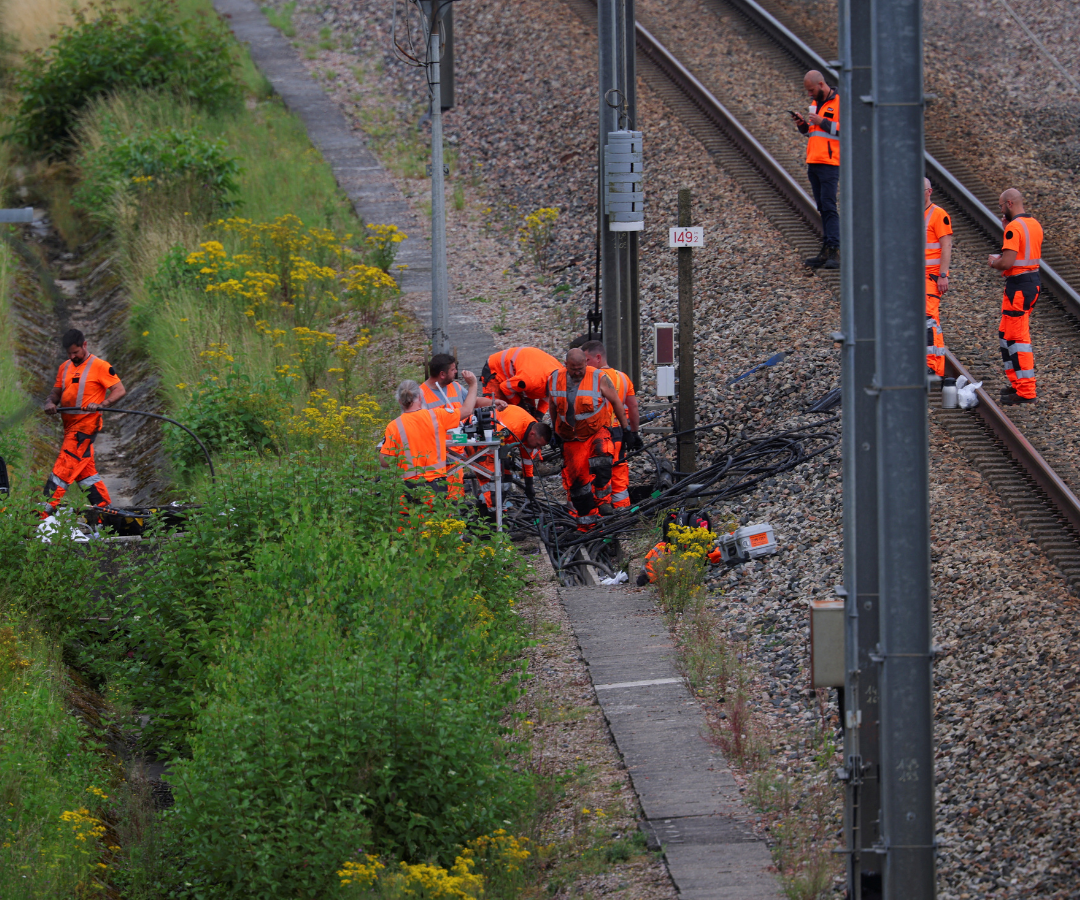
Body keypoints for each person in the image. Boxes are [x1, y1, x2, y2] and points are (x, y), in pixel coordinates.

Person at [41, 329, 126, 516]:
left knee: (63, 470)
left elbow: (119, 390)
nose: (73, 356)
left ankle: (41, 514)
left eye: (76, 352)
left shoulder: (100, 366)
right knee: (86, 474)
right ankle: (105, 512)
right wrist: (50, 403)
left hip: (84, 428)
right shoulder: (64, 367)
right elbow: (56, 392)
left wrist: (102, 404)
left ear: (84, 345)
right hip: (69, 427)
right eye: (69, 353)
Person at [547, 348, 629, 525]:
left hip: (596, 431)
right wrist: (555, 431)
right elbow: (553, 407)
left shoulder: (598, 377)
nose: (577, 372)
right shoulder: (554, 379)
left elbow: (616, 401)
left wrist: (627, 429)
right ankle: (587, 521)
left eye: (580, 368)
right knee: (578, 482)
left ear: (586, 363)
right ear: (566, 364)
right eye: (573, 368)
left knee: (602, 461)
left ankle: (604, 502)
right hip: (571, 438)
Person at [380, 372, 479, 497]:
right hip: (436, 485)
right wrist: (473, 384)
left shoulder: (394, 426)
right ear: (420, 398)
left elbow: (385, 461)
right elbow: (467, 410)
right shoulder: (437, 416)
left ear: (400, 401)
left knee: (412, 516)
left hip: (409, 487)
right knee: (438, 516)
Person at [989, 188, 1043, 405]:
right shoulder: (1034, 224)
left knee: (1017, 338)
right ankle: (1017, 384)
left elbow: (1008, 262)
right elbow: (1024, 252)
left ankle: (1026, 391)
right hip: (1031, 283)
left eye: (1001, 206)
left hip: (1019, 287)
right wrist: (1006, 229)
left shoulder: (1014, 228)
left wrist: (994, 262)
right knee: (1006, 333)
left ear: (1009, 204)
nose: (1000, 210)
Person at [580, 340, 642, 509]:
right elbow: (633, 407)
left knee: (597, 477)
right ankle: (622, 516)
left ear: (598, 357)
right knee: (619, 476)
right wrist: (633, 433)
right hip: (619, 434)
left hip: (598, 437)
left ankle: (600, 518)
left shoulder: (590, 379)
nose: (584, 365)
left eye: (586, 360)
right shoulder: (623, 378)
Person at [791, 70, 840, 270]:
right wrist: (803, 125)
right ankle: (826, 249)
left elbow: (848, 129)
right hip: (814, 160)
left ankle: (834, 250)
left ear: (821, 84)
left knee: (829, 206)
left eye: (811, 90)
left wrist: (823, 122)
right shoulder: (815, 104)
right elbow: (813, 132)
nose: (810, 94)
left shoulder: (840, 103)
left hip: (830, 162)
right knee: (822, 206)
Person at [474, 405, 551, 509]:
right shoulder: (513, 427)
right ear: (532, 434)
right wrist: (501, 457)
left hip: (494, 442)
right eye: (537, 444)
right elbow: (492, 439)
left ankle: (492, 508)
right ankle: (492, 515)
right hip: (480, 440)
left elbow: (527, 459)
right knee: (492, 480)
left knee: (506, 478)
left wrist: (529, 484)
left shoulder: (531, 433)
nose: (538, 448)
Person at [924, 178, 954, 379]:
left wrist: (943, 275)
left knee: (928, 319)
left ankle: (931, 365)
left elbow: (946, 246)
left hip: (931, 276)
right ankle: (931, 364)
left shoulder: (939, 214)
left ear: (929, 191)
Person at [481, 346, 561, 418]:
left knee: (529, 414)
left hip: (520, 374)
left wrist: (539, 416)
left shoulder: (561, 375)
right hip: (496, 370)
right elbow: (505, 387)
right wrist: (520, 405)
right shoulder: (530, 381)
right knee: (496, 411)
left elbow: (548, 396)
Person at [420, 353, 504, 413]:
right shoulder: (420, 395)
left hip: (463, 436)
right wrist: (473, 385)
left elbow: (474, 401)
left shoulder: (455, 386)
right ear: (442, 374)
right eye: (452, 370)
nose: (456, 371)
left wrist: (493, 402)